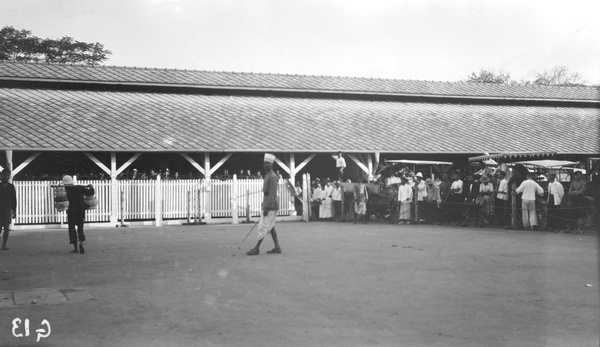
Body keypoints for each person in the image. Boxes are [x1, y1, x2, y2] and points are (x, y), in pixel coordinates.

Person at [247, 154, 282, 256]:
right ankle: (277, 247)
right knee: (271, 226)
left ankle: (257, 248)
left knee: (263, 226)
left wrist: (267, 207)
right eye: (265, 163)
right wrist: (264, 204)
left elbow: (272, 194)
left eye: (268, 163)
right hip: (266, 203)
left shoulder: (273, 177)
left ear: (272, 164)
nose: (266, 165)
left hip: (271, 206)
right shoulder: (267, 175)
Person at [62, 175, 95, 254]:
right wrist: (90, 186)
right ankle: (81, 242)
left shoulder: (65, 190)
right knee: (80, 228)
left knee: (72, 229)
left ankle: (75, 247)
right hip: (80, 211)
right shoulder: (79, 187)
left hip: (71, 211)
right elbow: (91, 192)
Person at [0, 170, 17, 250]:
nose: (5, 177)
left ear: (9, 176)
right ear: (1, 175)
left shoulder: (11, 187)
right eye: (4, 175)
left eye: (7, 175)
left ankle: (4, 245)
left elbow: (14, 199)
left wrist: (14, 210)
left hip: (7, 210)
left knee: (6, 228)